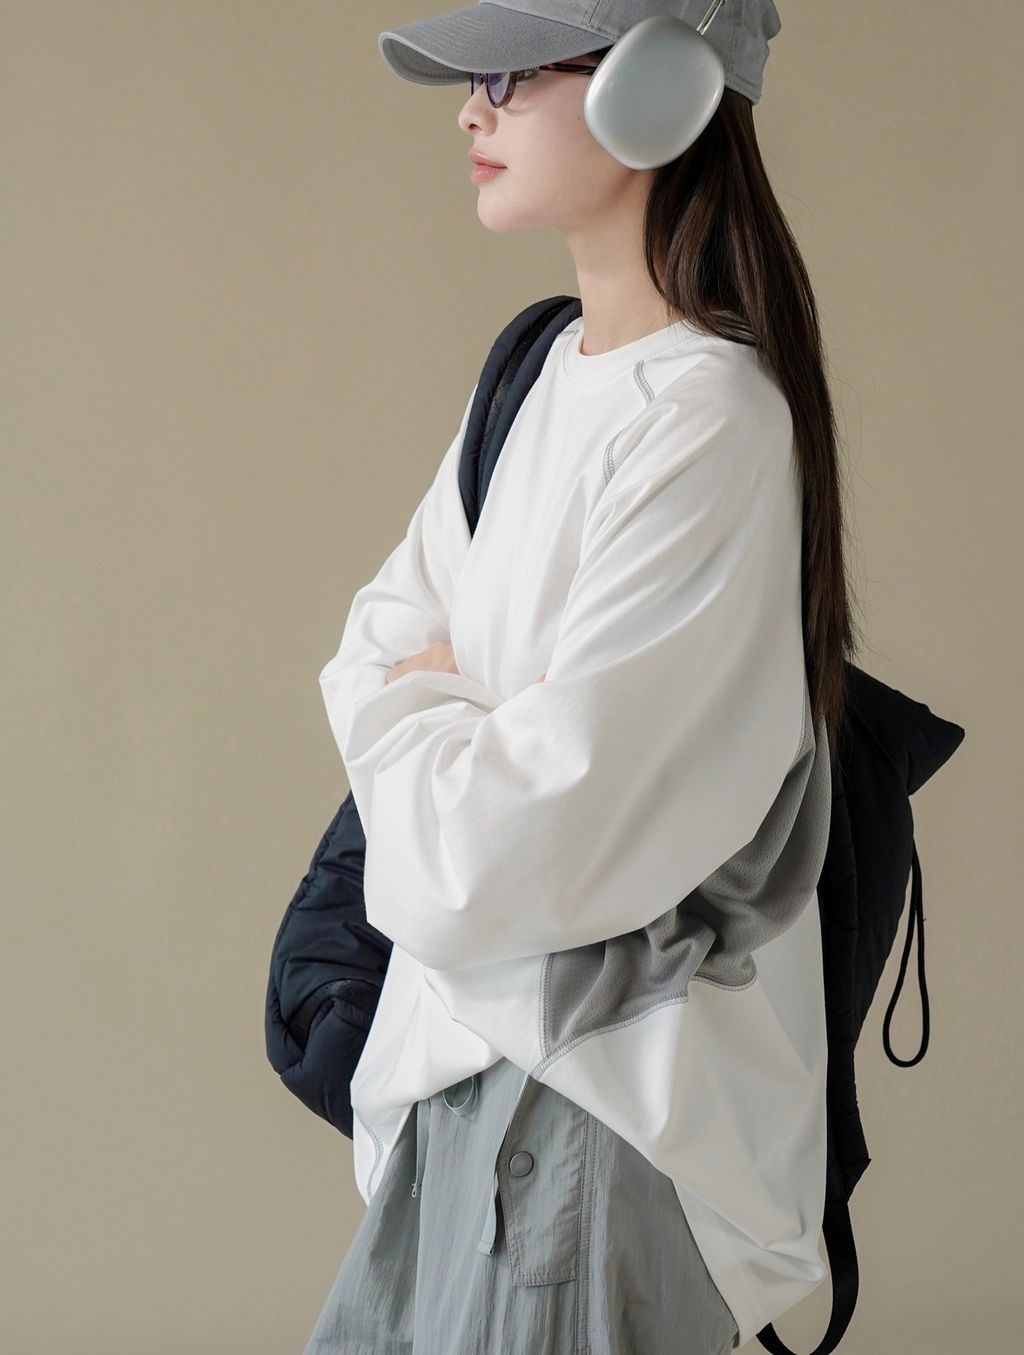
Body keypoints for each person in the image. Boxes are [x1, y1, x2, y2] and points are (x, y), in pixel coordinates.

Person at [302, 3, 860, 1353]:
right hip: (453, 1099)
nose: (468, 109)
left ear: (659, 84)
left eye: (506, 73)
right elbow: (370, 646)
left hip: (586, 1130)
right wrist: (466, 720)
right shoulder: (536, 377)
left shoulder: (710, 423)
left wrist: (433, 706)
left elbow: (494, 852)